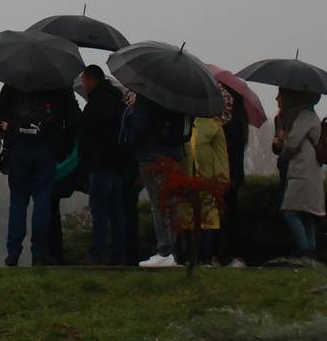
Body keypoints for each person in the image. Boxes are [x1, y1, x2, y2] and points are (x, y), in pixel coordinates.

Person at [0, 83, 79, 267]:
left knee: (17, 202)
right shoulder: (57, 81)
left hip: (18, 146)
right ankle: (39, 253)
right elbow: (74, 117)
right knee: (42, 200)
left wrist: (9, 127)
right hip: (45, 146)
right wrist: (62, 145)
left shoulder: (15, 79)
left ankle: (13, 252)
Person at [122, 90, 188, 268]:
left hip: (151, 155)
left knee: (158, 205)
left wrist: (130, 144)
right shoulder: (178, 97)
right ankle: (174, 252)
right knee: (171, 205)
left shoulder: (147, 95)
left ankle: (164, 251)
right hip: (174, 155)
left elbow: (140, 126)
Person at [77, 66, 128, 265]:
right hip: (117, 164)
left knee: (99, 209)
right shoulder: (117, 101)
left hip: (99, 163)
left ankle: (96, 253)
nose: (83, 85)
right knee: (116, 212)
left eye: (84, 80)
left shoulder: (96, 103)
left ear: (91, 80)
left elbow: (87, 127)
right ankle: (118, 254)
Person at [272, 88, 326, 259]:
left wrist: (282, 148)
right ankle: (311, 251)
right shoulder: (312, 116)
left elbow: (292, 143)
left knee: (290, 212)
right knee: (307, 214)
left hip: (301, 171)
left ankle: (305, 251)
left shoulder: (304, 116)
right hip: (310, 171)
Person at [181, 104, 231, 265]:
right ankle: (190, 256)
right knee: (188, 218)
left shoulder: (213, 126)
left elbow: (221, 155)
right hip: (187, 179)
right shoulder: (183, 123)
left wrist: (222, 179)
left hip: (207, 179)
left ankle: (206, 257)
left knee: (207, 218)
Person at [218, 85, 250, 267]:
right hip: (236, 174)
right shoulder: (240, 123)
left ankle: (224, 255)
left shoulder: (226, 124)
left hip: (224, 173)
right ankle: (233, 254)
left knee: (223, 217)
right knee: (232, 215)